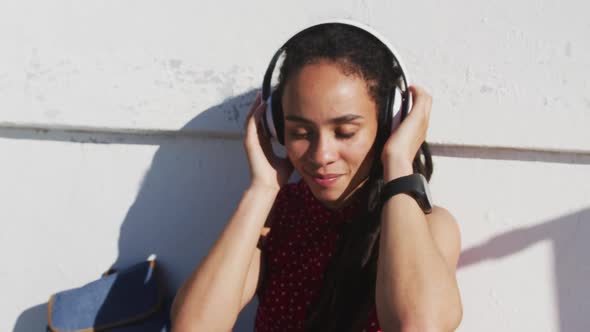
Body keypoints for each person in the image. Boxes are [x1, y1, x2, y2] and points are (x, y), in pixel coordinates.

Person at [170, 22, 462, 332]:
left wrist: (398, 161)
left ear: (389, 123)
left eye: (345, 132)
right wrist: (263, 188)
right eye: (300, 132)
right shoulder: (277, 218)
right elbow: (192, 327)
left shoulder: (429, 227)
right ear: (276, 128)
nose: (321, 155)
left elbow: (417, 326)